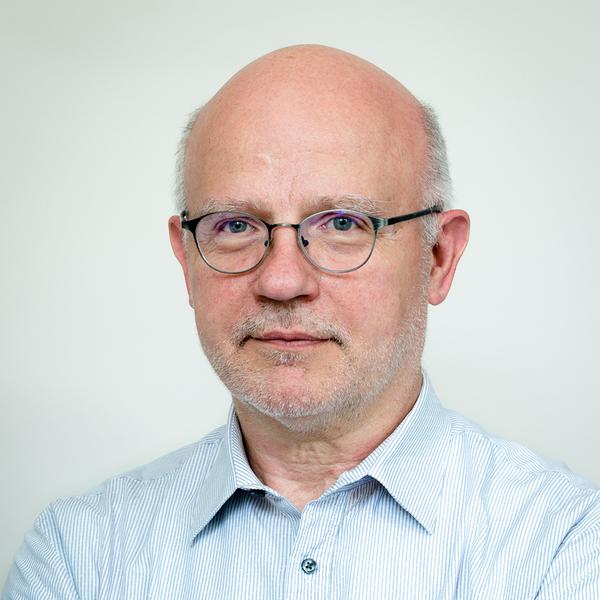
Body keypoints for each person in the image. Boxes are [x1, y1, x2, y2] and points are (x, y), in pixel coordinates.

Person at [3, 44, 599, 599]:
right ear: (186, 260)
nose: (283, 281)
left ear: (438, 257)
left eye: (343, 224)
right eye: (235, 226)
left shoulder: (563, 545)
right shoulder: (78, 557)